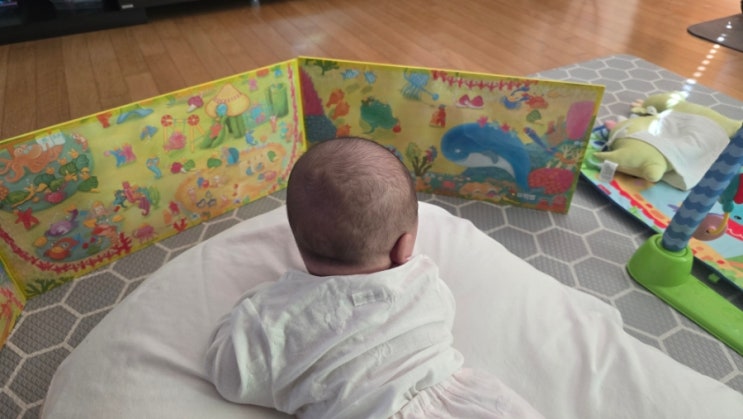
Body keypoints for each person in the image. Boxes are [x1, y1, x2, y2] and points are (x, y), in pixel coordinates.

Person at [204, 137, 544, 418]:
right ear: (403, 246)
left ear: (298, 241)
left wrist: (254, 306)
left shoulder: (275, 320)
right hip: (470, 404)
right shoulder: (422, 280)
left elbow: (228, 373)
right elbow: (444, 312)